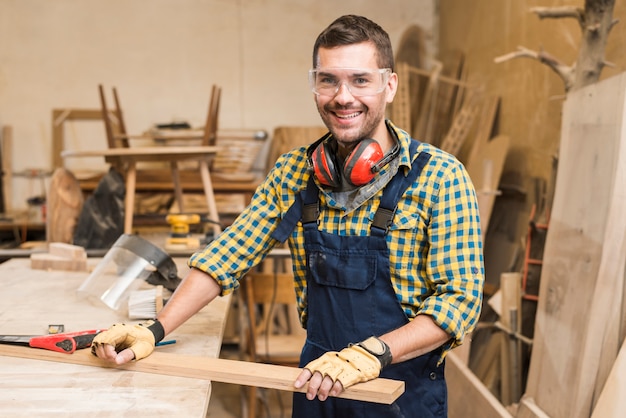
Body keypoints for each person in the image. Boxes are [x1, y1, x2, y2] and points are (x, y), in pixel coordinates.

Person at [91, 14, 484, 417]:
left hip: (399, 391)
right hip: (317, 388)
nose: (342, 96)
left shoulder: (438, 176)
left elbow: (460, 301)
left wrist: (373, 353)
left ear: (390, 85)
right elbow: (228, 255)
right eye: (328, 80)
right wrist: (154, 329)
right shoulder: (295, 173)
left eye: (360, 80)